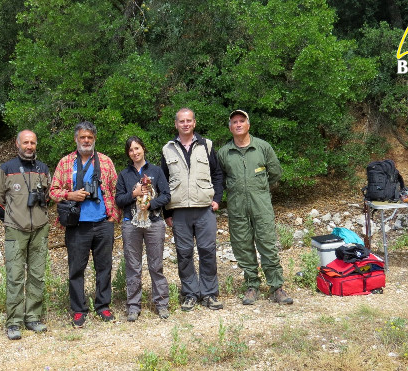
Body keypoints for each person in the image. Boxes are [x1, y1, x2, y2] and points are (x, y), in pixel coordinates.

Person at [216, 110, 293, 305]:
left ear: (248, 125)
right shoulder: (224, 153)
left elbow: (275, 172)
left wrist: (261, 191)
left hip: (261, 206)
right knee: (242, 246)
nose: (238, 124)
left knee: (267, 244)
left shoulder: (262, 147)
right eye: (234, 122)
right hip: (237, 207)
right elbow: (220, 179)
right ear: (230, 127)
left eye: (242, 121)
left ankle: (277, 287)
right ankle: (252, 285)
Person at [49, 121, 121, 328]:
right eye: (83, 137)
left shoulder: (105, 162)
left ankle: (103, 305)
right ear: (76, 139)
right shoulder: (65, 163)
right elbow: (53, 191)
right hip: (76, 224)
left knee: (104, 267)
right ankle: (79, 309)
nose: (86, 141)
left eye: (89, 137)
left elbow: (116, 189)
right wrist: (69, 194)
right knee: (76, 269)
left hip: (102, 223)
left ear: (94, 139)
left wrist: (113, 216)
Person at [161, 107, 224, 311]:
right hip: (179, 211)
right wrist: (167, 213)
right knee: (184, 253)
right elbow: (163, 182)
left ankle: (209, 294)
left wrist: (217, 199)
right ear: (176, 124)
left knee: (208, 252)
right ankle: (189, 294)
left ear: (194, 123)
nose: (185, 124)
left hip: (205, 209)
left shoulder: (206, 145)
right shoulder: (167, 149)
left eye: (189, 120)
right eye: (181, 121)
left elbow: (217, 174)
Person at [0, 129, 51, 340]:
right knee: (15, 277)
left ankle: (33, 317)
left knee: (37, 275)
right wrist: (9, 219)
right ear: (17, 144)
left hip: (40, 229)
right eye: (25, 142)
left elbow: (47, 197)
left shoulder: (43, 168)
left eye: (32, 143)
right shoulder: (6, 169)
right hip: (15, 230)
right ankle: (14, 322)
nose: (29, 146)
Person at [115, 136, 171, 322]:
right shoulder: (124, 175)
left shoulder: (156, 171)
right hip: (131, 223)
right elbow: (119, 200)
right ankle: (133, 306)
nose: (135, 152)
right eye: (131, 150)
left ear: (143, 149)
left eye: (137, 148)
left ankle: (162, 304)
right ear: (128, 154)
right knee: (133, 266)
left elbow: (166, 195)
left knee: (156, 265)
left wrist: (152, 204)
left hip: (154, 222)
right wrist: (134, 194)